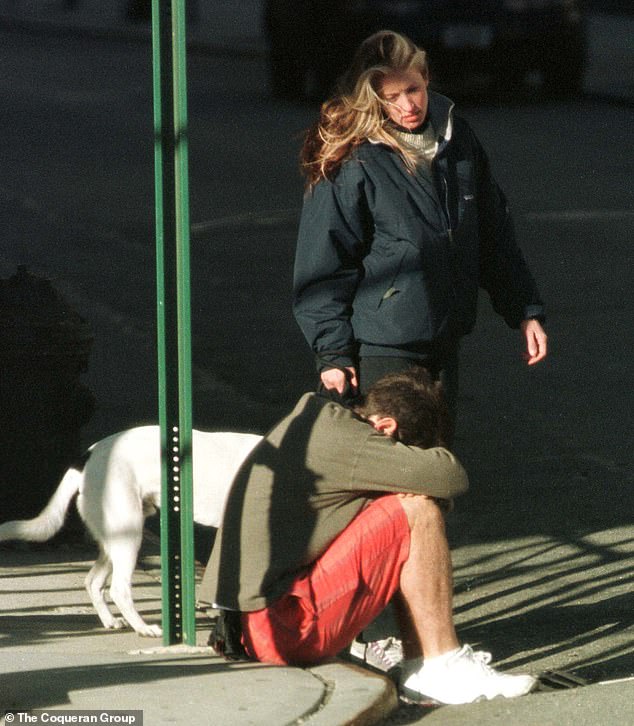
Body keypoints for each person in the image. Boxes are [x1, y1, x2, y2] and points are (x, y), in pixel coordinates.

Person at [200, 369, 538, 705]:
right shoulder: (353, 442)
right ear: (385, 428)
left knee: (399, 506)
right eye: (403, 449)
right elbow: (450, 476)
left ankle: (422, 667)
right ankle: (442, 663)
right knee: (417, 510)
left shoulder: (322, 422)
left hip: (252, 627)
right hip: (280, 630)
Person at [293, 30, 548, 417]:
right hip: (381, 350)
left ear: (426, 76)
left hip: (445, 339)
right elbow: (324, 263)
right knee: (390, 466)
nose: (407, 106)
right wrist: (333, 354)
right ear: (371, 98)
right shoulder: (354, 158)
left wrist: (525, 310)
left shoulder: (456, 138)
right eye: (390, 98)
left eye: (412, 89)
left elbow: (492, 233)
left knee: (434, 462)